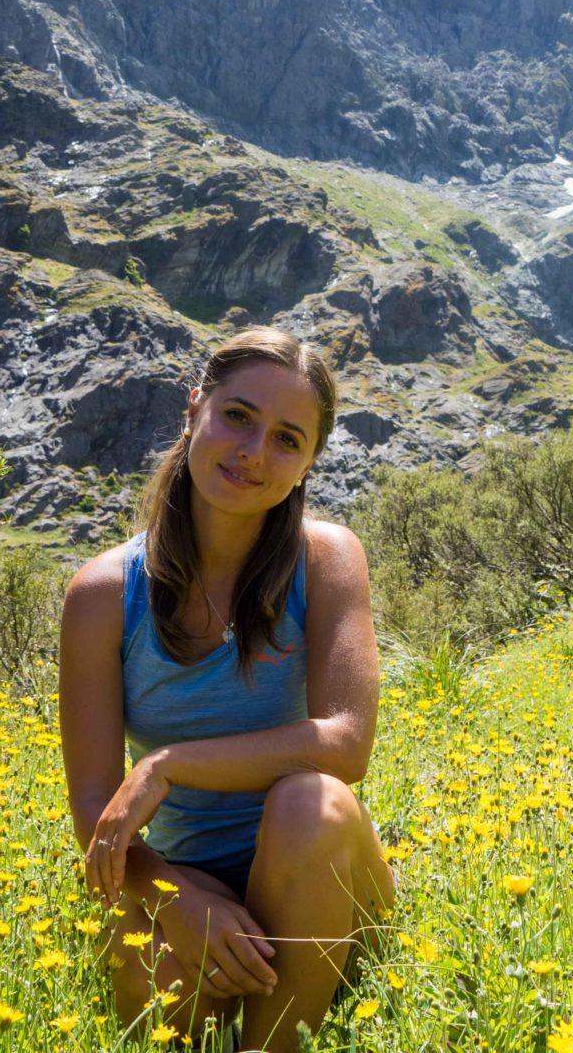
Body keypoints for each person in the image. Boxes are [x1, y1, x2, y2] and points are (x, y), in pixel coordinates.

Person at [59, 328, 393, 1052]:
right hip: (188, 881)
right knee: (152, 984)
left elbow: (347, 741)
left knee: (312, 800)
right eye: (238, 417)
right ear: (194, 409)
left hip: (322, 872)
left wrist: (168, 763)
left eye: (286, 439)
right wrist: (172, 898)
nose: (253, 453)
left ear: (307, 464)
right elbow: (95, 810)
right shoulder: (104, 594)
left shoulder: (326, 559)